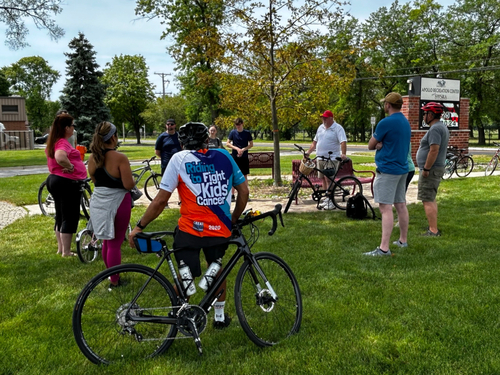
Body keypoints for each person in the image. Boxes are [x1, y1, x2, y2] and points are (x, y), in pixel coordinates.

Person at [129, 122, 249, 329]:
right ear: (206, 140)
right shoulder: (224, 156)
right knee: (216, 270)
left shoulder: (178, 159)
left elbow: (160, 202)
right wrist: (234, 218)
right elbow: (244, 192)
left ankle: (177, 313)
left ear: (182, 143)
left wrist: (139, 226)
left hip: (189, 230)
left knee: (187, 276)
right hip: (219, 229)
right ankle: (219, 318)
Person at [87, 121, 135, 288]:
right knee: (115, 243)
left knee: (106, 241)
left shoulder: (93, 157)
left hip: (99, 201)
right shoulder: (120, 158)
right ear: (113, 136)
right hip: (119, 201)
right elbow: (129, 185)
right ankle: (114, 281)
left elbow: (94, 179)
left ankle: (110, 275)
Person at [364, 92, 411, 257]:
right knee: (401, 205)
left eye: (385, 103)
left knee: (385, 208)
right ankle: (402, 241)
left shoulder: (385, 123)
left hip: (387, 170)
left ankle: (384, 248)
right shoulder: (405, 122)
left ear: (388, 105)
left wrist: (379, 145)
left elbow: (370, 145)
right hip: (402, 169)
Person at [45, 113, 87, 257]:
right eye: (72, 125)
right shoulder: (62, 142)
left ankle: (61, 248)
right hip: (67, 182)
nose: (74, 128)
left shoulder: (54, 141)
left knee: (60, 215)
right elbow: (60, 157)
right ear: (66, 127)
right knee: (69, 215)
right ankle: (67, 252)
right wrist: (70, 167)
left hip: (55, 180)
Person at [416, 102, 450, 236]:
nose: (423, 116)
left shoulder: (435, 129)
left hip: (431, 169)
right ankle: (433, 226)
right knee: (431, 198)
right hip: (436, 168)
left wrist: (426, 168)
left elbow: (434, 150)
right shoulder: (441, 127)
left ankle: (433, 230)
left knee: (427, 199)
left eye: (425, 113)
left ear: (430, 115)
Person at [305, 110, 347, 210]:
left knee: (329, 179)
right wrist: (308, 152)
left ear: (331, 119)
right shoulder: (320, 128)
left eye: (325, 118)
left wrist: (343, 154)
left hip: (331, 158)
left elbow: (343, 142)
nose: (323, 119)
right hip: (320, 157)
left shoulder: (338, 128)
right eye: (322, 117)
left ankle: (331, 201)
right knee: (323, 178)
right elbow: (314, 142)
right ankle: (327, 199)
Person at [226, 117, 253, 201]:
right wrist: (236, 148)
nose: (238, 126)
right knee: (234, 175)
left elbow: (251, 144)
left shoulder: (247, 133)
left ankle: (246, 194)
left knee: (244, 175)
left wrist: (243, 149)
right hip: (235, 157)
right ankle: (232, 195)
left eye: (239, 124)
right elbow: (227, 143)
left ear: (242, 124)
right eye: (236, 125)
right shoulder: (233, 132)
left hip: (244, 156)